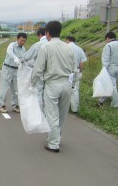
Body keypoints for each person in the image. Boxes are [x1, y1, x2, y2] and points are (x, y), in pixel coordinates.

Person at [31, 21, 76, 152]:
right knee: (62, 115)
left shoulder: (46, 47)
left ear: (47, 33)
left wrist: (32, 83)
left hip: (52, 84)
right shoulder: (69, 48)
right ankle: (57, 137)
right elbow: (75, 69)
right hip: (67, 83)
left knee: (52, 115)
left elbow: (38, 69)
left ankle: (53, 143)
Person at [0, 32, 27, 113]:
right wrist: (15, 58)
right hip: (7, 68)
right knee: (4, 87)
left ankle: (15, 105)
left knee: (16, 89)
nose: (23, 42)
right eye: (21, 40)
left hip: (17, 70)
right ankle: (2, 105)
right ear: (17, 39)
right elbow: (9, 52)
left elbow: (24, 59)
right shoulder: (12, 45)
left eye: (24, 41)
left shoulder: (23, 49)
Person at [98, 31, 118, 107]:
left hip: (110, 68)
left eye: (106, 39)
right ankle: (101, 101)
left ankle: (115, 105)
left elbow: (105, 59)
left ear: (108, 38)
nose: (106, 41)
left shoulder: (108, 46)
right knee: (110, 84)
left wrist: (104, 70)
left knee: (113, 86)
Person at [23, 28, 47, 110]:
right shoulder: (54, 44)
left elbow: (26, 57)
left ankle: (39, 114)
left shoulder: (38, 45)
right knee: (48, 95)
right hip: (52, 74)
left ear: (39, 35)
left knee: (39, 93)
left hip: (40, 73)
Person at [65, 36, 87, 114]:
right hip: (76, 71)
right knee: (75, 89)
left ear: (67, 40)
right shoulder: (79, 49)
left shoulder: (64, 47)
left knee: (65, 89)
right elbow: (81, 63)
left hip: (66, 72)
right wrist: (80, 71)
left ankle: (64, 108)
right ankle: (75, 109)